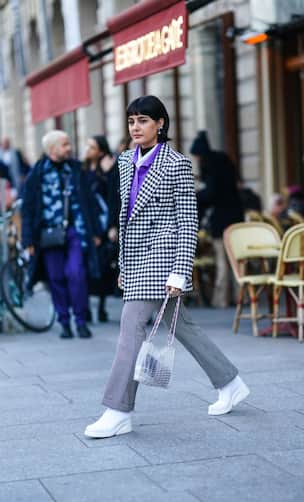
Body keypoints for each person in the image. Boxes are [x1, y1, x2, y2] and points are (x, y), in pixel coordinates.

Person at [84, 95, 250, 439]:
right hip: (136, 259)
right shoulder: (126, 161)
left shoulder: (177, 164)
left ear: (161, 124)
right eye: (132, 121)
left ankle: (117, 410)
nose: (136, 127)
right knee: (184, 327)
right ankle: (230, 382)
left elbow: (188, 220)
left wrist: (180, 269)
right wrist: (125, 263)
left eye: (143, 120)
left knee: (131, 326)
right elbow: (126, 215)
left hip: (162, 258)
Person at [21, 130, 100, 339]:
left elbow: (88, 201)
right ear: (52, 149)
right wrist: (28, 240)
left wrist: (95, 231)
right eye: (65, 145)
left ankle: (81, 321)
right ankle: (64, 322)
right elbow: (27, 210)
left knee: (76, 274)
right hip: (47, 234)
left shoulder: (75, 169)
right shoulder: (36, 174)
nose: (69, 148)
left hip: (74, 231)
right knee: (56, 278)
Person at [190, 131, 244, 307]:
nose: (196, 160)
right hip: (237, 218)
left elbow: (211, 194)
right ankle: (240, 296)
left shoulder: (210, 167)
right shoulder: (224, 161)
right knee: (235, 260)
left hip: (221, 221)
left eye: (197, 157)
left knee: (222, 261)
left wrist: (196, 195)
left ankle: (221, 300)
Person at [83, 135, 120, 322]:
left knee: (104, 266)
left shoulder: (108, 169)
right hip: (87, 225)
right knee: (86, 268)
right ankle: (87, 308)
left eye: (92, 147)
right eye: (88, 146)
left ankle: (102, 307)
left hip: (104, 223)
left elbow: (114, 196)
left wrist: (108, 172)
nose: (88, 150)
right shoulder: (83, 169)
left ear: (101, 150)